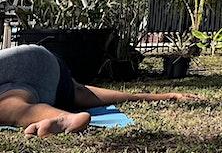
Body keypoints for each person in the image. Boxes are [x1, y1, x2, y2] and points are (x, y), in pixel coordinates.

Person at [0, 44, 197, 137]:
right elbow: (83, 93)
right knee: (79, 93)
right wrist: (167, 95)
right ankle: (165, 96)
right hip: (42, 58)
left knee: (9, 105)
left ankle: (63, 117)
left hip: (24, 68)